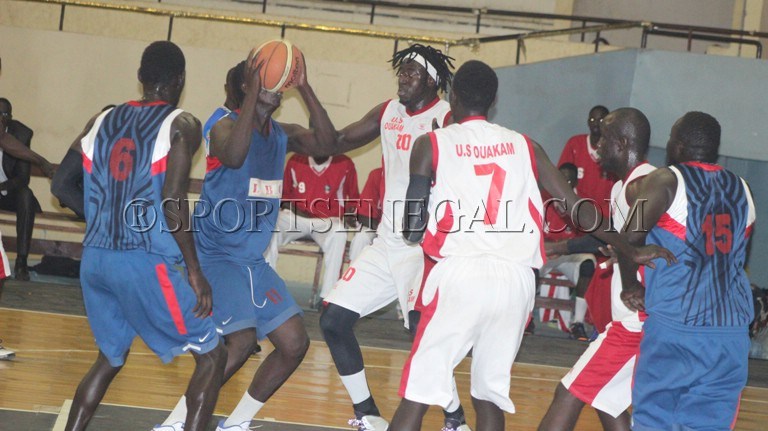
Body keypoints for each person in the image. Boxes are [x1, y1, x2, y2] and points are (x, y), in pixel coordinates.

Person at [388, 62, 671, 431]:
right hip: (517, 282)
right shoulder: (526, 145)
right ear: (493, 100)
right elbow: (578, 210)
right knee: (487, 397)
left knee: (418, 393)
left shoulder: (431, 143)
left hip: (462, 273)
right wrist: (627, 247)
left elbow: (411, 229)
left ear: (452, 97)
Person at [155, 50, 343, 431]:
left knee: (294, 344)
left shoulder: (282, 134)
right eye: (266, 82)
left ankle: (237, 422)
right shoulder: (220, 125)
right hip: (216, 256)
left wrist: (303, 87)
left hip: (253, 262)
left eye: (278, 83)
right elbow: (236, 156)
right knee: (239, 342)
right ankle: (176, 423)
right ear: (247, 86)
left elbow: (328, 143)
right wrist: (254, 94)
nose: (276, 87)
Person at [50, 41, 228, 431]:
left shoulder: (101, 119)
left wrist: (101, 215)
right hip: (144, 262)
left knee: (110, 358)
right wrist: (195, 270)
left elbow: (62, 184)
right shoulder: (182, 125)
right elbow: (173, 199)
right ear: (180, 79)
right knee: (213, 356)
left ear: (141, 78)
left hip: (95, 260)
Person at [317, 44, 474, 431]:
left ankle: (454, 418)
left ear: (434, 81)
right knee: (333, 320)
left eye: (411, 73)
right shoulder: (388, 112)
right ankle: (367, 411)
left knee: (422, 333)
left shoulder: (447, 118)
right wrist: (303, 96)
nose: (402, 78)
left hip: (421, 246)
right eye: (400, 71)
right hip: (387, 241)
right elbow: (334, 141)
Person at [617, 111, 755, 431]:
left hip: (676, 325)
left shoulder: (665, 179)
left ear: (677, 145)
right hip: (730, 332)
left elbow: (628, 239)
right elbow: (738, 256)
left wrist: (630, 287)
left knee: (655, 419)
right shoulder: (743, 189)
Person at [538, 107, 656, 431]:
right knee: (607, 403)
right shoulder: (622, 188)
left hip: (637, 323)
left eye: (603, 137)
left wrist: (633, 272)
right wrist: (562, 244)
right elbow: (619, 240)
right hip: (633, 321)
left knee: (566, 394)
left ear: (622, 142)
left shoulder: (646, 184)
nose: (597, 146)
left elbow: (640, 243)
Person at [266, 152, 359, 304]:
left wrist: (351, 213)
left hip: (327, 221)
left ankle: (328, 297)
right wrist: (298, 210)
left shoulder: (344, 163)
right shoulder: (296, 159)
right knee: (269, 227)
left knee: (340, 233)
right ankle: (268, 289)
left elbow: (353, 198)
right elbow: (283, 196)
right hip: (296, 217)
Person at [559, 105, 617, 334]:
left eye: (601, 119)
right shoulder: (575, 144)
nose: (596, 122)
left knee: (600, 268)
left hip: (602, 225)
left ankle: (585, 320)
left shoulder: (612, 153)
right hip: (576, 223)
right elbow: (562, 177)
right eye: (592, 118)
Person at [0, 98, 55, 280]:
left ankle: (22, 261)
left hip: (8, 191)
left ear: (11, 117)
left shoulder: (21, 133)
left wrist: (3, 187)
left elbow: (23, 179)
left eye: (5, 114)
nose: (1, 117)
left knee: (26, 196)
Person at [539, 163, 595, 340]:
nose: (561, 182)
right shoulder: (542, 199)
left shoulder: (583, 204)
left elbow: (588, 239)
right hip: (545, 252)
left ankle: (577, 323)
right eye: (559, 177)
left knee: (588, 263)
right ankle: (526, 319)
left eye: (566, 179)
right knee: (527, 263)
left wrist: (564, 246)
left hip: (569, 254)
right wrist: (549, 245)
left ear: (573, 182)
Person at [348, 166, 383, 262]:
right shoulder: (377, 174)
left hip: (401, 233)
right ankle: (353, 273)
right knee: (362, 237)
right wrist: (384, 230)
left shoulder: (410, 179)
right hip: (378, 228)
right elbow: (364, 217)